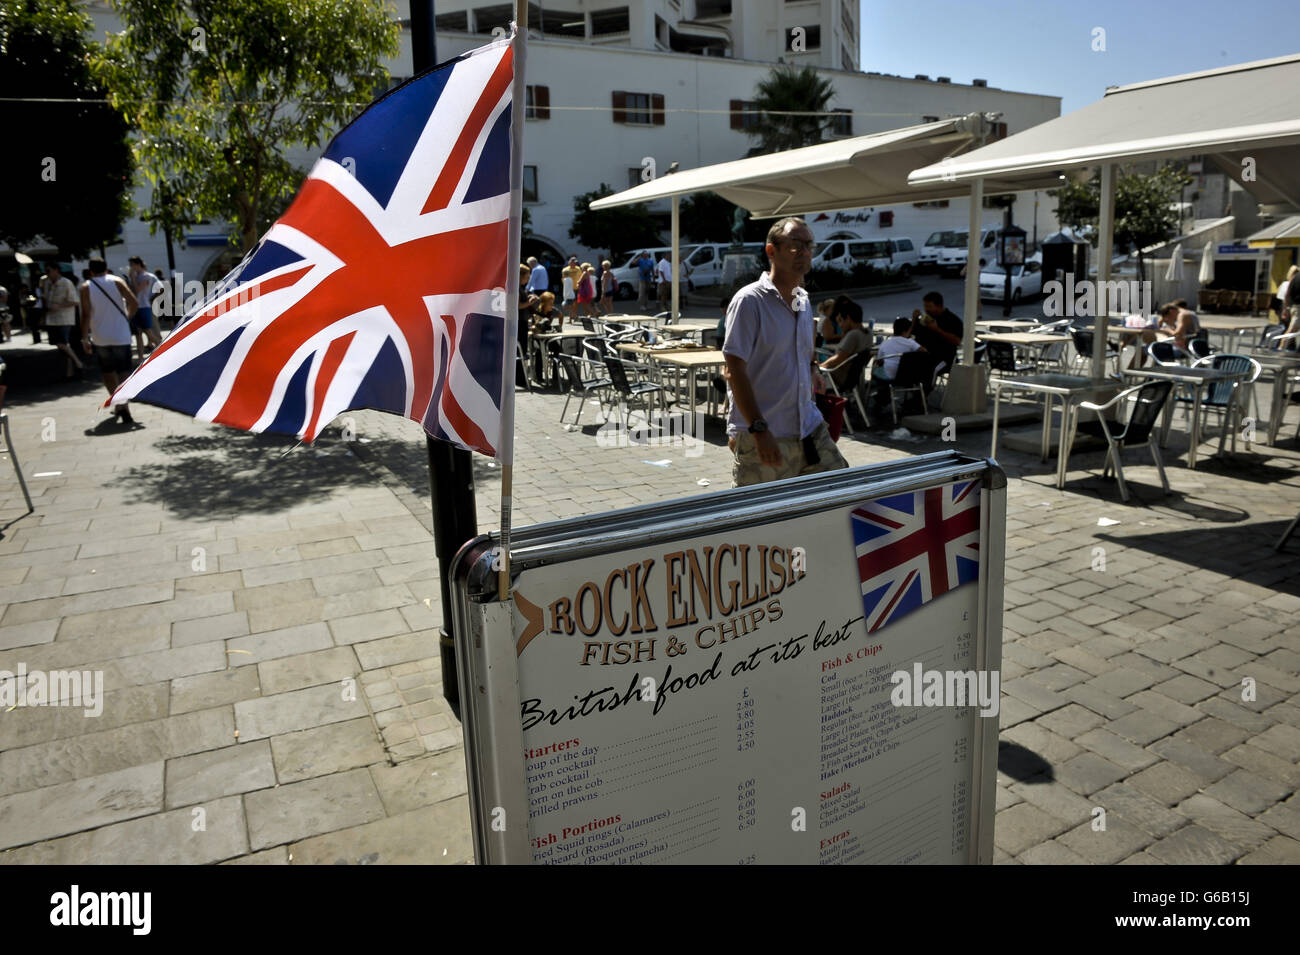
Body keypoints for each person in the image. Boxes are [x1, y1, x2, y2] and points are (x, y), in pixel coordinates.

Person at [723, 216, 848, 487]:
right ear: (772, 250)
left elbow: (803, 351)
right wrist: (758, 429)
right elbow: (734, 370)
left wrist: (813, 368)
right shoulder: (749, 301)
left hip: (809, 428)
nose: (804, 251)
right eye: (795, 244)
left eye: (809, 245)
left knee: (842, 493)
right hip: (766, 434)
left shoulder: (802, 300)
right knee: (761, 519)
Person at [80, 258, 139, 426]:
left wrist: (84, 337)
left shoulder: (86, 287)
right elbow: (133, 302)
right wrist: (126, 318)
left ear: (90, 271)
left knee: (108, 372)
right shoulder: (117, 281)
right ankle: (124, 405)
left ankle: (118, 404)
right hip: (121, 334)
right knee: (124, 371)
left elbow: (85, 313)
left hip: (100, 336)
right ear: (106, 269)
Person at [817, 300, 871, 390]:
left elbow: (838, 359)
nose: (840, 325)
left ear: (848, 319)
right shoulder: (868, 332)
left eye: (840, 321)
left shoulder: (853, 335)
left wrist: (819, 366)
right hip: (854, 378)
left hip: (837, 378)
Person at [42, 262, 84, 378]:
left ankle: (78, 363)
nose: (47, 274)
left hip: (64, 318)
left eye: (49, 271)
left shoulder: (66, 283)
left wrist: (59, 306)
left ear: (56, 270)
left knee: (61, 343)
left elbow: (75, 301)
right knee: (62, 347)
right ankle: (69, 372)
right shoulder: (46, 283)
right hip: (51, 318)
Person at [909, 290, 963, 378]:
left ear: (939, 306)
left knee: (926, 369)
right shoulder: (925, 319)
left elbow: (957, 341)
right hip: (922, 355)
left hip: (943, 358)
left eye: (929, 306)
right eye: (925, 306)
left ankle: (922, 390)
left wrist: (937, 329)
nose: (926, 309)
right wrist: (914, 320)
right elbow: (909, 335)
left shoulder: (953, 320)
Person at [127, 255, 163, 359]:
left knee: (149, 332)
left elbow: (138, 290)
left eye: (132, 265)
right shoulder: (136, 276)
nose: (131, 267)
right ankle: (140, 358)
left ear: (138, 264)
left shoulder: (147, 276)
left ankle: (161, 349)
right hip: (135, 307)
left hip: (144, 307)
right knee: (138, 333)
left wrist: (132, 278)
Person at [561, 255, 581, 321]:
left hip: (576, 288)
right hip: (569, 289)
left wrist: (580, 285)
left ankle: (574, 315)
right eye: (573, 262)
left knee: (575, 303)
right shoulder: (565, 270)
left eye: (576, 262)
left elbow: (580, 277)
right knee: (569, 304)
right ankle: (572, 316)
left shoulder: (578, 268)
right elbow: (563, 279)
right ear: (570, 262)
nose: (575, 263)